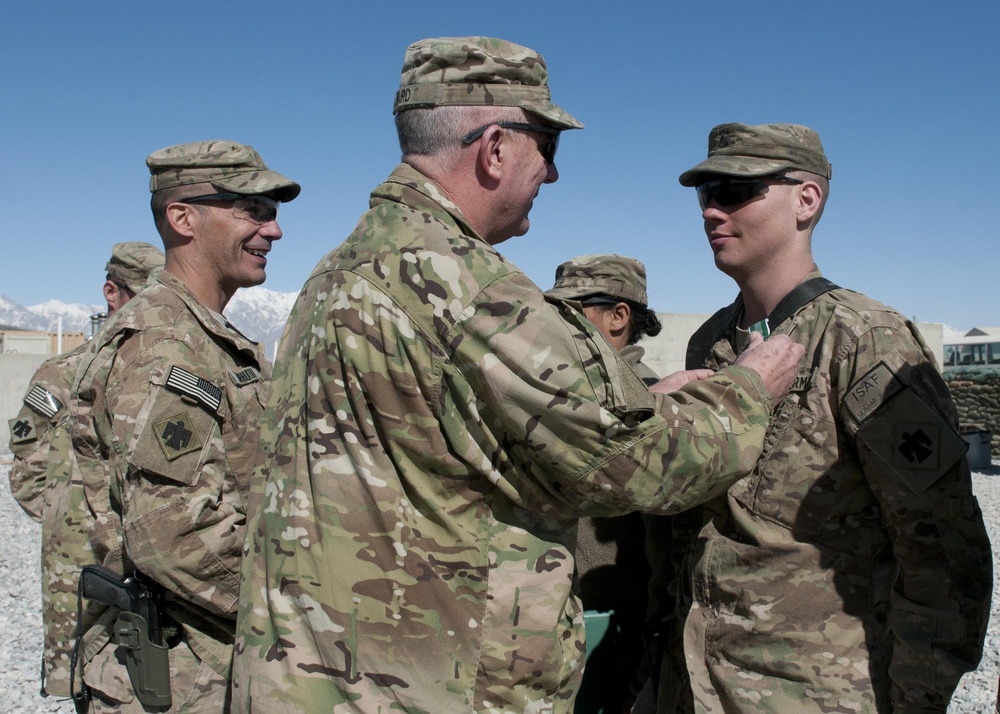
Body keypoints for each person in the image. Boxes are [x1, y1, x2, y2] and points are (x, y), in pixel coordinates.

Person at [232, 37, 804, 713]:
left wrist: (635, 397)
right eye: (548, 150)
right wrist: (743, 391)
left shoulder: (341, 270)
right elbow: (634, 467)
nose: (553, 176)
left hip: (316, 676)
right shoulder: (471, 290)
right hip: (425, 686)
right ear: (495, 148)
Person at [642, 122, 992, 713]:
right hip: (700, 684)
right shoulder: (712, 345)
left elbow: (939, 543)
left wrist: (918, 695)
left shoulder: (865, 341)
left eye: (734, 189)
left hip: (816, 690)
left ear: (807, 200)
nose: (710, 211)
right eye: (706, 194)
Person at [71, 140, 299, 712]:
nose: (273, 231)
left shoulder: (203, 337)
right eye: (253, 210)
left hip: (207, 659)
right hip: (178, 677)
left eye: (273, 213)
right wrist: (294, 612)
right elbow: (172, 533)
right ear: (182, 218)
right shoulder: (165, 345)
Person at [7, 242, 163, 698]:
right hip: (79, 570)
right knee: (87, 678)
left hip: (149, 567)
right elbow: (26, 470)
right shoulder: (63, 374)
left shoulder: (158, 371)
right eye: (142, 295)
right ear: (111, 293)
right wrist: (73, 518)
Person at [544, 253, 662, 713]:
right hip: (558, 630)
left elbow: (667, 549)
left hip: (615, 635)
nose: (556, 326)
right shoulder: (564, 397)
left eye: (572, 312)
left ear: (618, 317)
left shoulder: (650, 404)